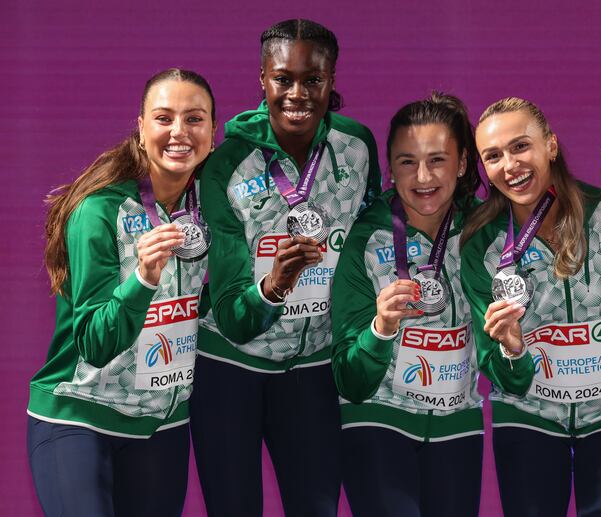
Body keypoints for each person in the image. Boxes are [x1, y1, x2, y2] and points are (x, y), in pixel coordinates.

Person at [191, 19, 382, 517]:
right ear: (262, 79)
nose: (298, 93)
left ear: (332, 79)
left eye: (313, 79)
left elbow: (372, 248)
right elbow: (233, 315)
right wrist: (274, 286)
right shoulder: (226, 163)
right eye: (283, 79)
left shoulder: (357, 148)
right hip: (229, 368)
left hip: (313, 370)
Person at [27, 68, 215, 517]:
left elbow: (204, 307)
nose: (179, 132)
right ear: (141, 126)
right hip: (79, 417)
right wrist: (144, 279)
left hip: (161, 426)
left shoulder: (214, 205)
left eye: (195, 119)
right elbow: (95, 342)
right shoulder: (99, 211)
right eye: (164, 118)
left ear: (212, 129)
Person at [460, 97, 601, 517]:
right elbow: (495, 366)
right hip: (528, 413)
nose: (509, 165)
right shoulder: (482, 243)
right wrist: (511, 350)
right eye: (493, 156)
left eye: (520, 147)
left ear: (550, 144)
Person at [331, 93, 483, 517]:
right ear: (391, 168)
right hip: (379, 417)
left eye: (437, 159)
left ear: (463, 163)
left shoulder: (485, 231)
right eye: (406, 162)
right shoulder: (366, 238)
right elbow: (349, 380)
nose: (423, 176)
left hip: (458, 423)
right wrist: (379, 329)